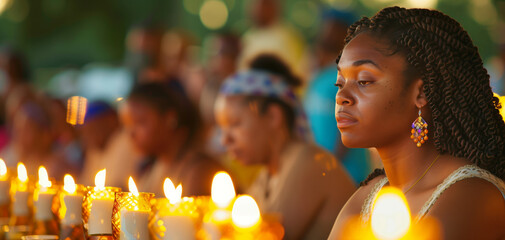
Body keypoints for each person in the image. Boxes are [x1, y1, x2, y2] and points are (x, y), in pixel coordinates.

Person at [328, 7, 505, 239]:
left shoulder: (472, 195)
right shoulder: (368, 196)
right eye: (340, 83)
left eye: (364, 81)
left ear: (421, 93)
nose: (342, 97)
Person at [215, 70, 355, 240]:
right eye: (222, 129)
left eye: (234, 124)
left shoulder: (309, 162)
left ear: (274, 116)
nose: (225, 140)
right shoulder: (266, 175)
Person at [304, 8, 371, 184]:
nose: (326, 32)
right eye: (325, 26)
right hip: (321, 172)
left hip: (347, 176)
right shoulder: (317, 74)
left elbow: (354, 120)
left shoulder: (351, 74)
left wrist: (330, 167)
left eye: (333, 27)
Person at [122, 82, 223, 196]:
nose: (131, 134)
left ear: (170, 118)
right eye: (127, 124)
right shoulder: (153, 167)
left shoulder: (200, 172)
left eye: (140, 122)